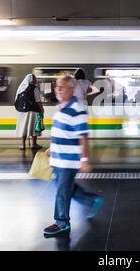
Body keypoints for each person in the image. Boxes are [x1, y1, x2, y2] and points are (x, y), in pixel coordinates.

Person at [43, 76, 104, 238]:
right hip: (57, 157)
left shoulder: (78, 109)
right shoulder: (60, 107)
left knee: (62, 190)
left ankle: (62, 223)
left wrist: (84, 159)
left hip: (68, 159)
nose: (58, 89)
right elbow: (61, 131)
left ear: (71, 89)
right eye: (57, 87)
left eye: (62, 87)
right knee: (65, 187)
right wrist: (51, 149)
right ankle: (92, 201)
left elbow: (83, 136)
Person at [15, 74, 44, 150]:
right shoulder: (34, 88)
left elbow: (16, 100)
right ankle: (33, 144)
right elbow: (38, 100)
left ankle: (23, 145)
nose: (36, 80)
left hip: (22, 112)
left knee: (23, 127)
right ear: (32, 80)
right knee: (34, 127)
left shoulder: (21, 88)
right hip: (33, 111)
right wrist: (42, 109)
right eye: (34, 79)